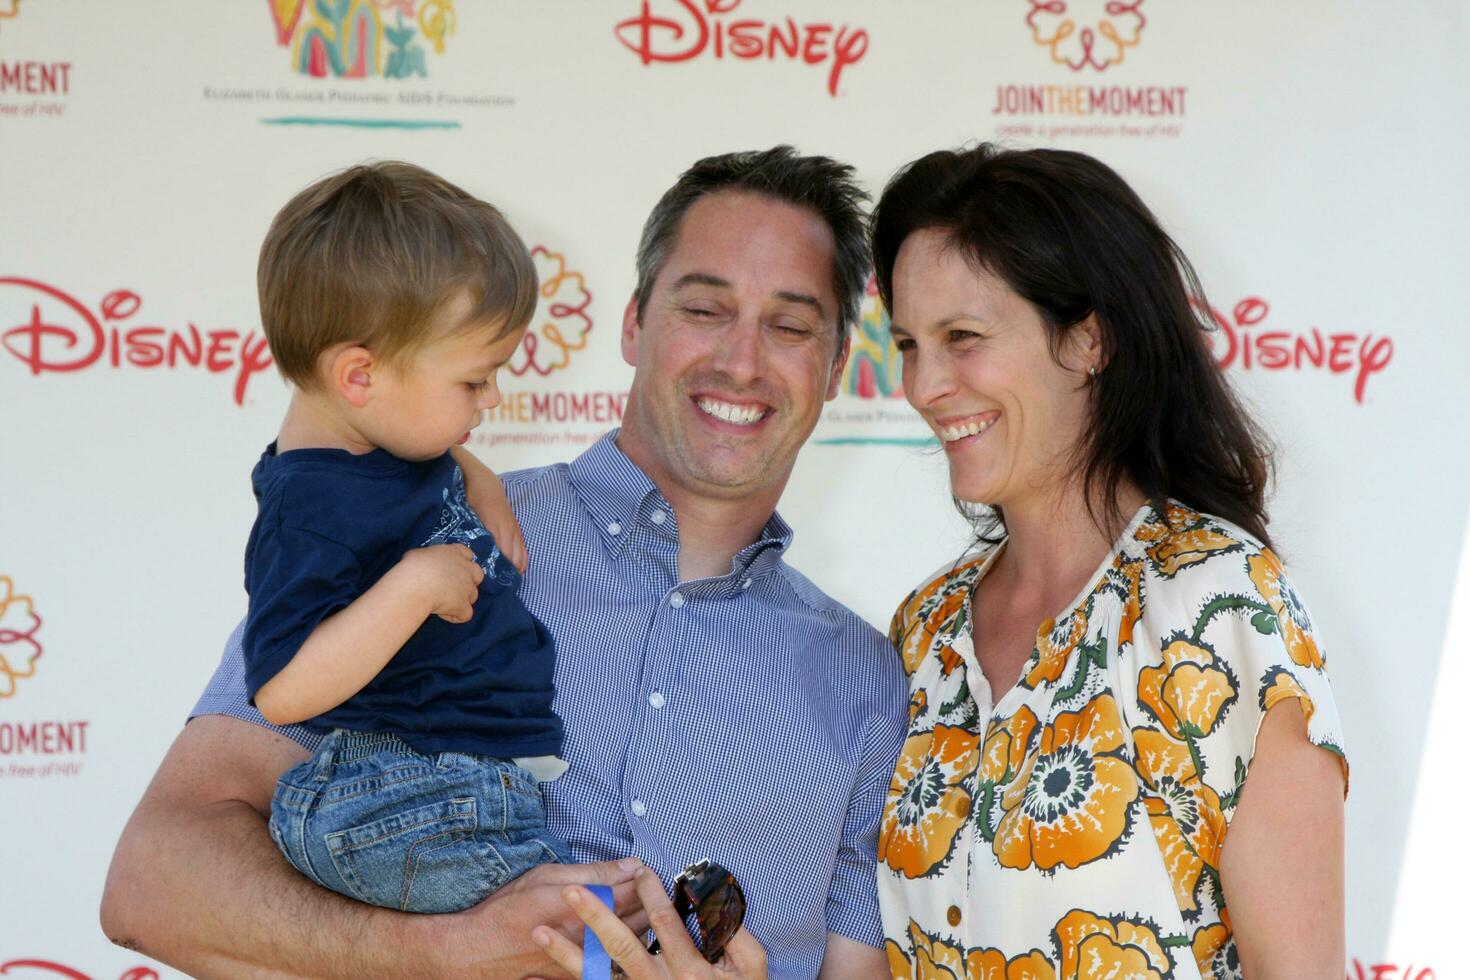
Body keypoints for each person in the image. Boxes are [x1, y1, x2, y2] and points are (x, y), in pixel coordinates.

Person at [101, 147, 907, 979]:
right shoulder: (426, 531)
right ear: (633, 323)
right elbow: (154, 883)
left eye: (789, 325)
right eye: (706, 309)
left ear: (839, 365)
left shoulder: (869, 680)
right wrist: (443, 954)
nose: (741, 360)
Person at [869, 144, 1348, 979]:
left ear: (1088, 340)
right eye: (910, 343)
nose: (924, 384)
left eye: (964, 337)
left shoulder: (1219, 605)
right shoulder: (925, 630)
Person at [241, 161, 569, 915]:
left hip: (459, 781)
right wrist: (415, 587)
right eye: (474, 381)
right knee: (562, 930)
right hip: (397, 792)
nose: (494, 398)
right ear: (360, 376)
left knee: (571, 921)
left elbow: (418, 447)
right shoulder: (308, 506)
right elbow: (283, 687)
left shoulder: (384, 443)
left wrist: (471, 466)